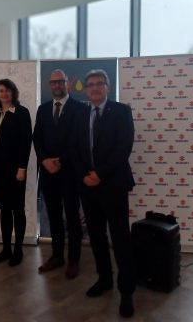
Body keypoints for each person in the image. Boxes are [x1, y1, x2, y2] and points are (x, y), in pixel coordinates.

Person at [70, 69, 136, 318]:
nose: (95, 87)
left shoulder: (121, 111)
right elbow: (73, 148)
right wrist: (84, 175)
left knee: (120, 238)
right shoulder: (80, 113)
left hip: (113, 184)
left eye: (100, 83)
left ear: (108, 87)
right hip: (87, 186)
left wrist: (100, 174)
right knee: (96, 236)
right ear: (86, 89)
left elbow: (123, 147)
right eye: (91, 84)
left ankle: (126, 291)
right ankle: (105, 279)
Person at [33, 69, 83, 279]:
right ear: (49, 85)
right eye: (53, 82)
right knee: (53, 216)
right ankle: (57, 256)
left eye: (60, 81)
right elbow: (37, 138)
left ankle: (73, 259)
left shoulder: (80, 108)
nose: (56, 85)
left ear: (67, 83)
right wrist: (44, 160)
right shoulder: (43, 109)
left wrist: (60, 160)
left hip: (70, 172)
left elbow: (79, 140)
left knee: (72, 217)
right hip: (48, 172)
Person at [0, 79, 32, 267]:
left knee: (17, 209)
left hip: (16, 170)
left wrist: (22, 168)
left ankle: (18, 249)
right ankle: (6, 249)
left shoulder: (21, 113)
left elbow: (25, 142)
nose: (4, 94)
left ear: (13, 92)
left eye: (7, 90)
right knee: (4, 209)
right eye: (1, 91)